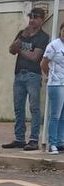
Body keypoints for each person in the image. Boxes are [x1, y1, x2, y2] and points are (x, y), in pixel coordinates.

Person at [2, 7, 49, 151]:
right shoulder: (23, 33)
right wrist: (22, 37)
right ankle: (19, 138)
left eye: (35, 17)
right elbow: (11, 50)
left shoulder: (43, 37)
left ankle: (34, 139)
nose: (32, 20)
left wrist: (20, 49)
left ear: (42, 19)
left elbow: (35, 57)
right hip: (19, 74)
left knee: (34, 108)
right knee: (18, 107)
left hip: (33, 75)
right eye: (31, 17)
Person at [42, 22, 64, 154]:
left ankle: (61, 141)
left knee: (63, 115)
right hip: (56, 84)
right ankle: (53, 143)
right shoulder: (54, 45)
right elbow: (44, 63)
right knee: (55, 115)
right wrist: (49, 75)